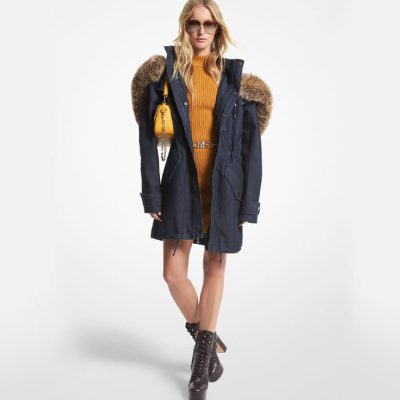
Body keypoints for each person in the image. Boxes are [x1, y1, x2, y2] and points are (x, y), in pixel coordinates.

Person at [131, 1, 272, 398]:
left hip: (223, 184)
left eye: (209, 24)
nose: (201, 30)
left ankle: (199, 369)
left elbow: (252, 150)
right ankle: (207, 341)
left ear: (218, 30)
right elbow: (147, 141)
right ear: (185, 27)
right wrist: (152, 192)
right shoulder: (165, 76)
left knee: (214, 266)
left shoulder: (236, 81)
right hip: (180, 180)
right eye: (194, 23)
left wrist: (248, 203)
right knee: (173, 273)